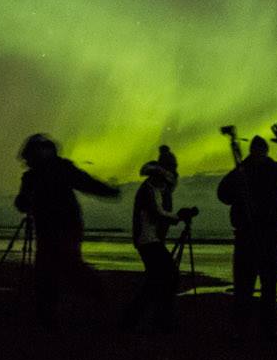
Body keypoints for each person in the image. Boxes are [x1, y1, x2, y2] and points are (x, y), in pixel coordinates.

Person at [14, 133, 120, 326]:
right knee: (48, 269)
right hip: (51, 228)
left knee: (66, 264)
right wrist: (24, 202)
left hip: (66, 226)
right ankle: (48, 313)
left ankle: (97, 294)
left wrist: (108, 191)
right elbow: (22, 201)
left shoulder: (59, 169)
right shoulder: (35, 175)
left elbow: (86, 183)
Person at [215, 122, 277, 339]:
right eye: (255, 149)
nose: (258, 152)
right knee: (243, 287)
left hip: (269, 236)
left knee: (268, 287)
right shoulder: (242, 172)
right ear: (252, 151)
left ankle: (267, 332)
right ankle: (241, 331)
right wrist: (238, 176)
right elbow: (223, 194)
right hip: (245, 236)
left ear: (265, 151)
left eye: (260, 149)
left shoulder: (274, 171)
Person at [120, 145, 195, 333]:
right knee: (167, 277)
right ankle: (157, 322)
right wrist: (178, 216)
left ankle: (135, 320)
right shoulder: (151, 188)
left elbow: (161, 213)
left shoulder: (156, 188)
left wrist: (176, 216)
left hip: (150, 240)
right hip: (148, 240)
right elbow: (157, 213)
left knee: (156, 280)